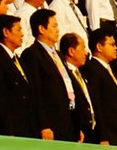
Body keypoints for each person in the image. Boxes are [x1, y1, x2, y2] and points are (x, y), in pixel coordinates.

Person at [21, 9, 76, 141]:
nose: (58, 30)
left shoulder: (58, 55)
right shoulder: (32, 54)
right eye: (54, 26)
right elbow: (36, 92)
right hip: (51, 122)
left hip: (68, 118)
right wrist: (43, 124)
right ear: (41, 28)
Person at [0, 14, 34, 137]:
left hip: (27, 126)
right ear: (6, 32)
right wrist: (8, 129)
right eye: (18, 29)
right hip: (11, 129)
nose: (22, 34)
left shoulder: (17, 59)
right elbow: (1, 96)